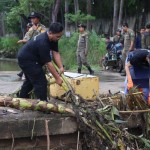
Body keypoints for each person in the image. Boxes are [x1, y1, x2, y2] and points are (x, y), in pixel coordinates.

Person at [17, 22, 64, 101]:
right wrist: (57, 78)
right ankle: (43, 103)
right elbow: (49, 64)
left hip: (32, 58)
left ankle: (22, 99)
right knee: (41, 81)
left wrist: (61, 67)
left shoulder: (53, 39)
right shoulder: (43, 42)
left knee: (30, 81)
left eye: (60, 36)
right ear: (50, 33)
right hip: (26, 60)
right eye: (57, 36)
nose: (58, 38)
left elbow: (55, 52)